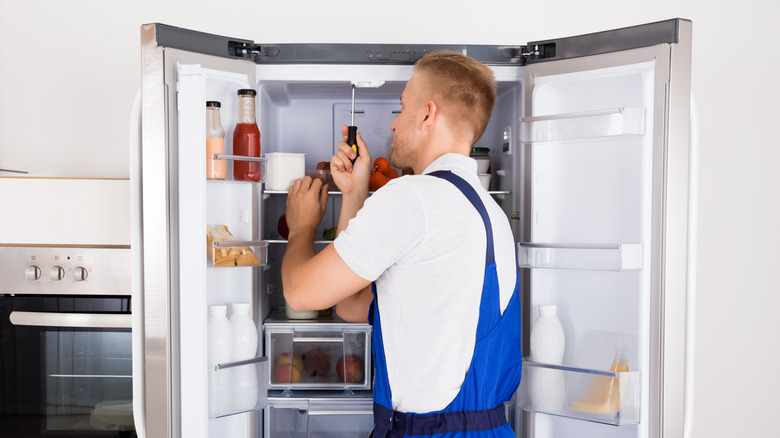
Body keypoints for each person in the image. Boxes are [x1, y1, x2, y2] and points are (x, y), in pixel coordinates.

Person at [281, 50, 522, 437]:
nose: (393, 124)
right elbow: (354, 306)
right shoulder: (490, 214)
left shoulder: (413, 198)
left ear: (427, 114)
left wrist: (301, 227)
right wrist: (355, 193)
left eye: (401, 106)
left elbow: (299, 293)